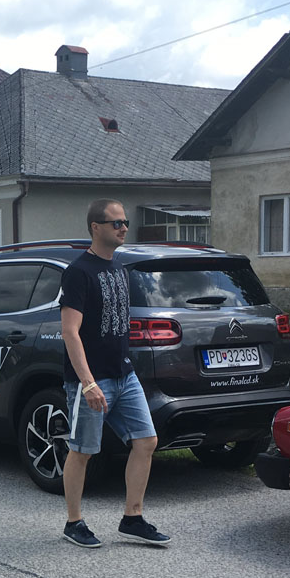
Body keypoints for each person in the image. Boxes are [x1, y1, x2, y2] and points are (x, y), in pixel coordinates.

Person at [59, 198, 170, 549]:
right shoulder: (78, 272)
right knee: (82, 451)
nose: (123, 228)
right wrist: (88, 382)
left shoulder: (120, 269)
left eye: (125, 222)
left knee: (146, 441)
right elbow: (70, 332)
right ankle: (73, 522)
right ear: (96, 227)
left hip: (124, 375)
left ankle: (132, 518)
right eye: (116, 223)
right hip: (92, 380)